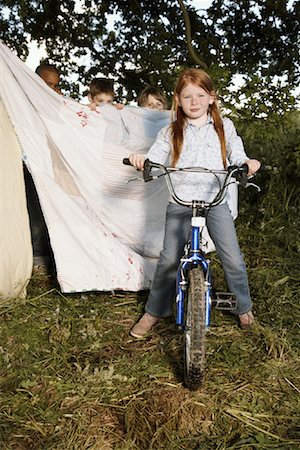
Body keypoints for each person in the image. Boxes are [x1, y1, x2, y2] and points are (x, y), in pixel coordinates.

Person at [128, 68, 261, 337]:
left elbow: (237, 153)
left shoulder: (225, 127)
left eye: (201, 95)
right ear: (178, 99)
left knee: (232, 257)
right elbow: (155, 157)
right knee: (168, 258)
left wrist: (247, 163)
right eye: (187, 96)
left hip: (215, 199)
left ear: (211, 97)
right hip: (180, 199)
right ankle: (154, 311)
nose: (195, 101)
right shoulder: (170, 131)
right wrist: (143, 160)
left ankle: (244, 308)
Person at [23, 63, 62, 274]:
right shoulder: (22, 103)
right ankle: (37, 256)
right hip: (30, 166)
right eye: (47, 85)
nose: (52, 90)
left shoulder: (58, 106)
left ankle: (51, 255)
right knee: (35, 210)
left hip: (52, 166)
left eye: (55, 86)